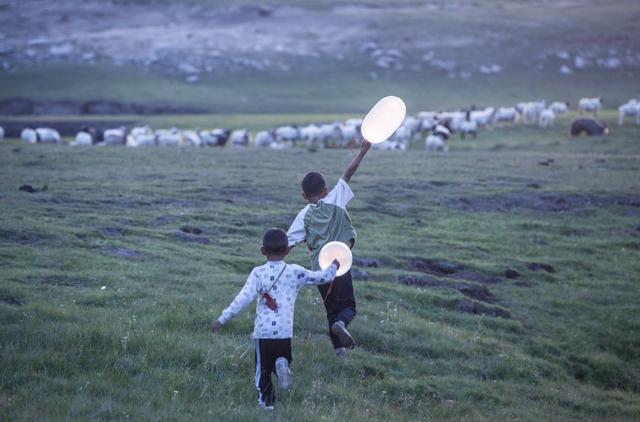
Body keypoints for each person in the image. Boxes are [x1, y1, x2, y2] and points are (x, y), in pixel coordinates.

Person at [211, 228, 339, 410]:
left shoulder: (258, 273)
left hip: (263, 333)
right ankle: (282, 365)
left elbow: (243, 298)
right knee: (282, 357)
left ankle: (267, 403)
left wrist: (222, 319)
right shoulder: (295, 271)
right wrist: (334, 266)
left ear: (263, 251)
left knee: (262, 371)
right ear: (287, 251)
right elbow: (321, 277)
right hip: (284, 332)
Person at [287, 140, 371, 358]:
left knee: (330, 309)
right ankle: (342, 324)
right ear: (325, 190)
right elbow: (349, 172)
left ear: (304, 196)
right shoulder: (335, 198)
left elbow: (286, 244)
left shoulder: (303, 215)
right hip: (340, 265)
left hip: (319, 271)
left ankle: (339, 351)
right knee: (348, 306)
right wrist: (363, 150)